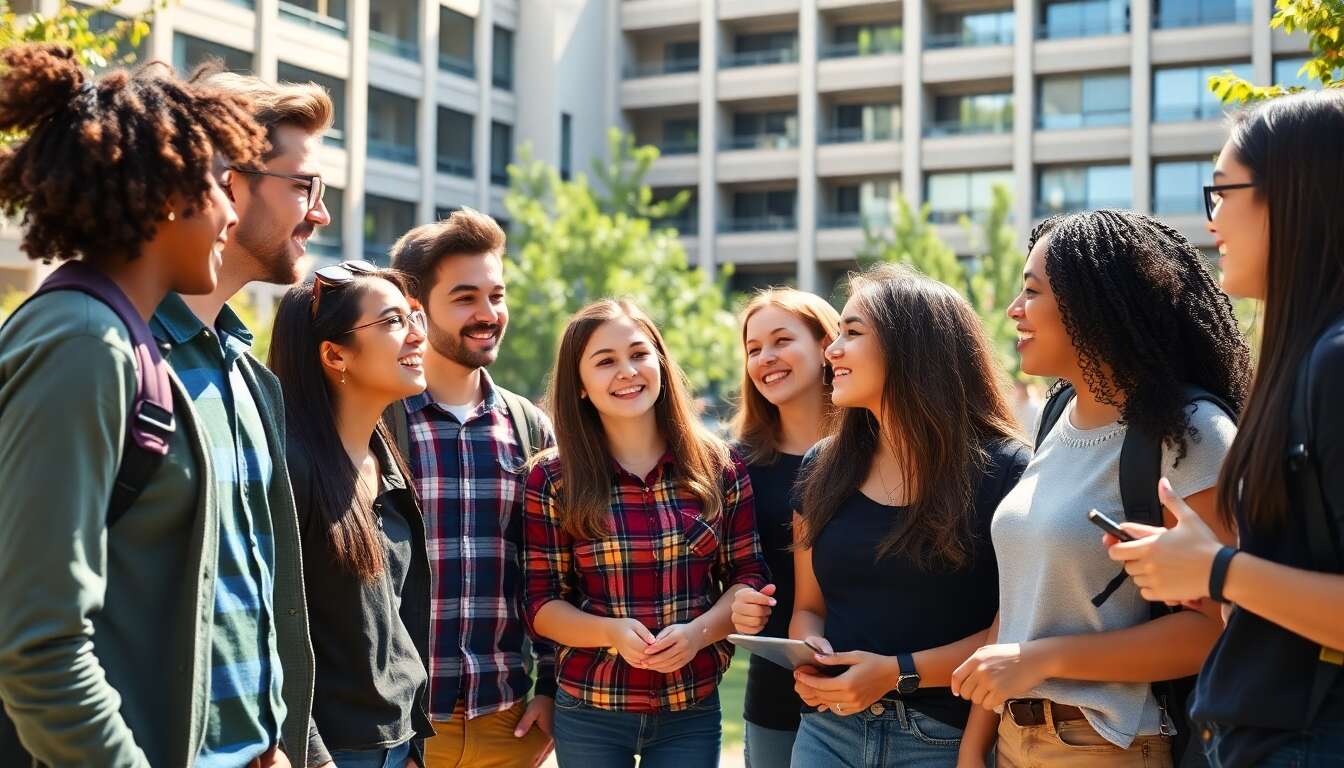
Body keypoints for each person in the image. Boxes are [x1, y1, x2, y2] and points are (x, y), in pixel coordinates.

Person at [0, 44, 266, 765]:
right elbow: (41, 651)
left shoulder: (111, 333)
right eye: (220, 186)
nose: (231, 215)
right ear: (168, 192)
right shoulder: (85, 343)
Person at [952, 210, 1252, 768]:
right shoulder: (1055, 417)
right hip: (1013, 738)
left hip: (1109, 746)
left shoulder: (1191, 431)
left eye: (1031, 292)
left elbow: (1217, 629)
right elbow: (1019, 606)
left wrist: (1041, 660)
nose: (1014, 310)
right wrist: (974, 749)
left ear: (1094, 306)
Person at [1105, 90, 1344, 768]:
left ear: (1293, 197)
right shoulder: (1305, 355)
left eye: (1222, 192)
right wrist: (1208, 571)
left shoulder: (1333, 360)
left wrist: (1218, 568)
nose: (1211, 220)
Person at [734, 266, 1028, 768]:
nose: (832, 350)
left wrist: (898, 674)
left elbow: (1013, 629)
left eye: (851, 333)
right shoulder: (821, 467)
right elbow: (810, 608)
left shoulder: (1008, 470)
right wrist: (810, 655)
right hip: (828, 732)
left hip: (943, 739)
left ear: (910, 346)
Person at [147, 70, 335, 768]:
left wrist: (292, 747)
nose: (320, 214)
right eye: (305, 187)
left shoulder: (253, 383)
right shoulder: (112, 355)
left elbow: (256, 605)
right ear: (229, 182)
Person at [522, 299, 770, 768]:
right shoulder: (552, 478)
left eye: (639, 354)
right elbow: (541, 605)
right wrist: (611, 632)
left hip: (690, 708)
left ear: (661, 362)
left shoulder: (719, 466)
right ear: (580, 386)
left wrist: (698, 634)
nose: (627, 371)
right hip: (590, 708)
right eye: (605, 361)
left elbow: (748, 577)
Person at [386, 209, 557, 768]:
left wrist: (551, 689)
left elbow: (556, 570)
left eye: (496, 296)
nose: (488, 314)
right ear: (414, 307)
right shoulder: (378, 422)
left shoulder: (531, 428)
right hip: (403, 726)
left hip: (508, 721)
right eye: (465, 298)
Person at [269, 262, 435, 768]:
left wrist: (413, 744)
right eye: (393, 321)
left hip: (397, 745)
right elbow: (269, 627)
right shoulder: (290, 466)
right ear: (335, 354)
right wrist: (313, 754)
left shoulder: (386, 460)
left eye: (414, 317)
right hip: (328, 753)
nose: (418, 335)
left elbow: (396, 620)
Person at [726, 288, 840, 767]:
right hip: (777, 696)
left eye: (781, 340)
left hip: (881, 689)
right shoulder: (734, 466)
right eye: (753, 349)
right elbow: (722, 574)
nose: (765, 358)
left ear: (827, 345)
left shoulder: (881, 453)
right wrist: (736, 601)